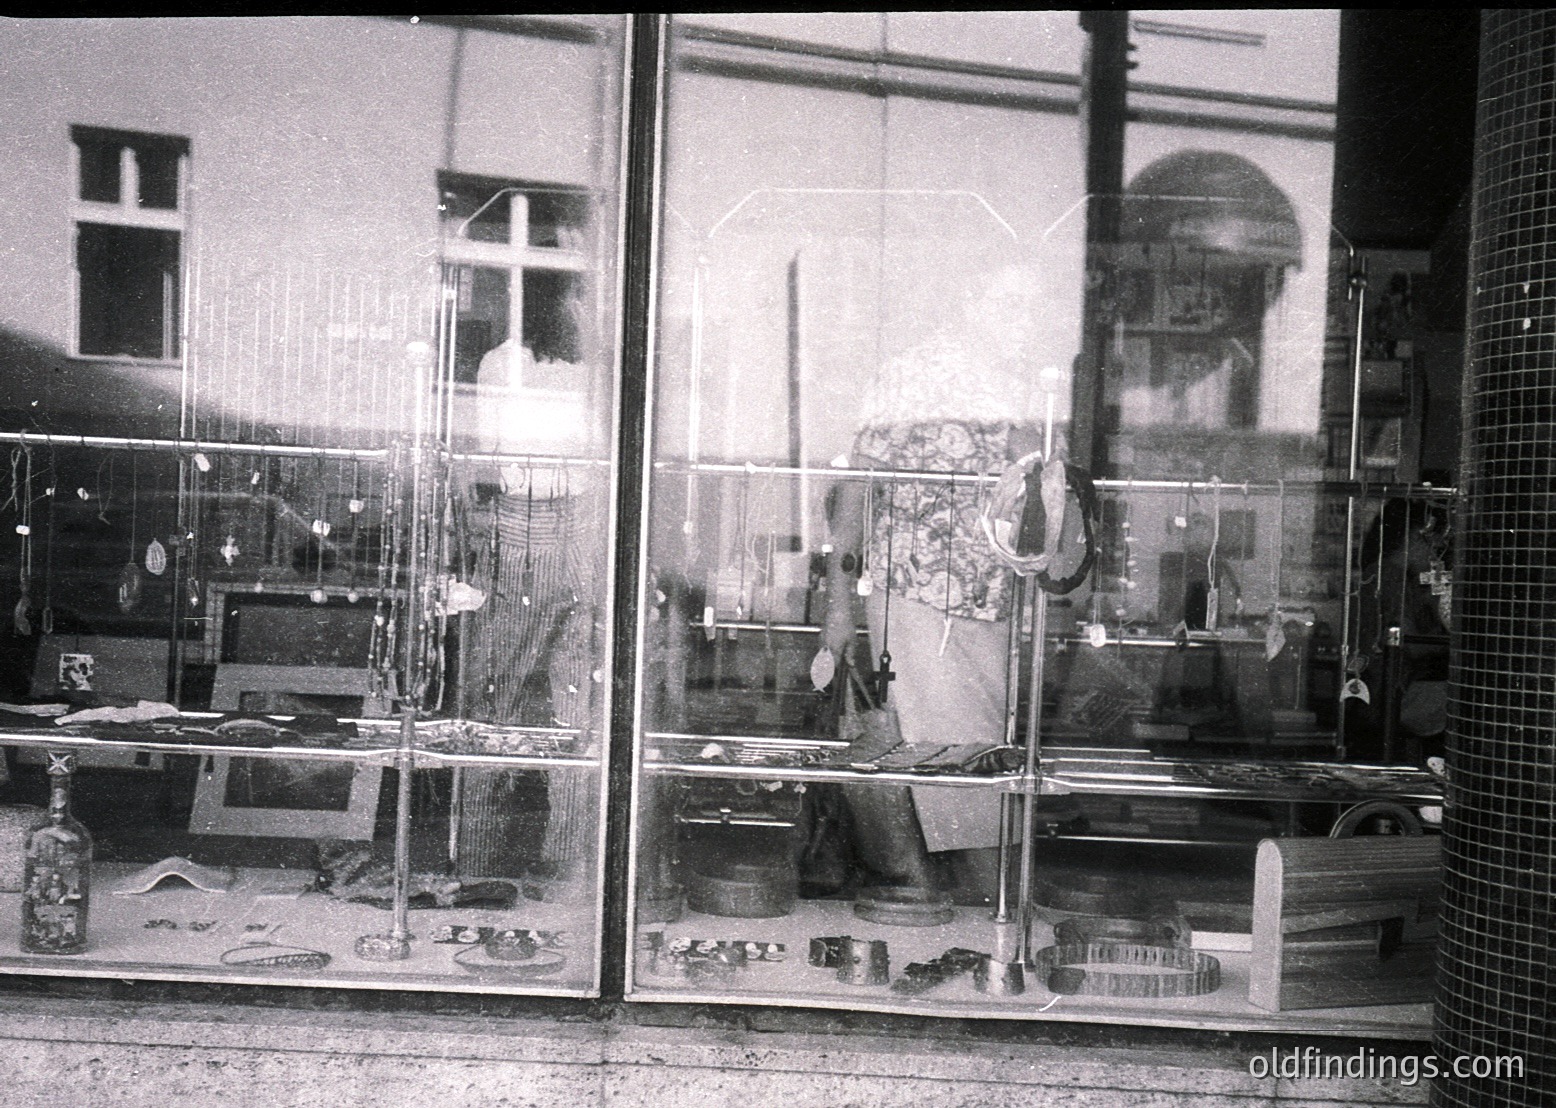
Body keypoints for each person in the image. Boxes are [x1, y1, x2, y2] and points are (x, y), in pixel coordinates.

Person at [821, 264, 1056, 896]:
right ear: (971, 302)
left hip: (990, 607)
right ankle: (986, 902)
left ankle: (971, 899)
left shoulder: (1017, 386)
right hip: (923, 603)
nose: (1025, 322)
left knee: (974, 760)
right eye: (1010, 305)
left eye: (1031, 308)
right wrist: (838, 606)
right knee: (960, 764)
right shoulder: (911, 376)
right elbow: (855, 501)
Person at [453, 338, 604, 884]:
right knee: (512, 695)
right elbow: (487, 458)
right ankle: (485, 860)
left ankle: (550, 859)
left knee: (570, 697)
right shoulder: (506, 362)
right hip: (527, 524)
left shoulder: (583, 363)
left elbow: (487, 454)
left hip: (577, 523)